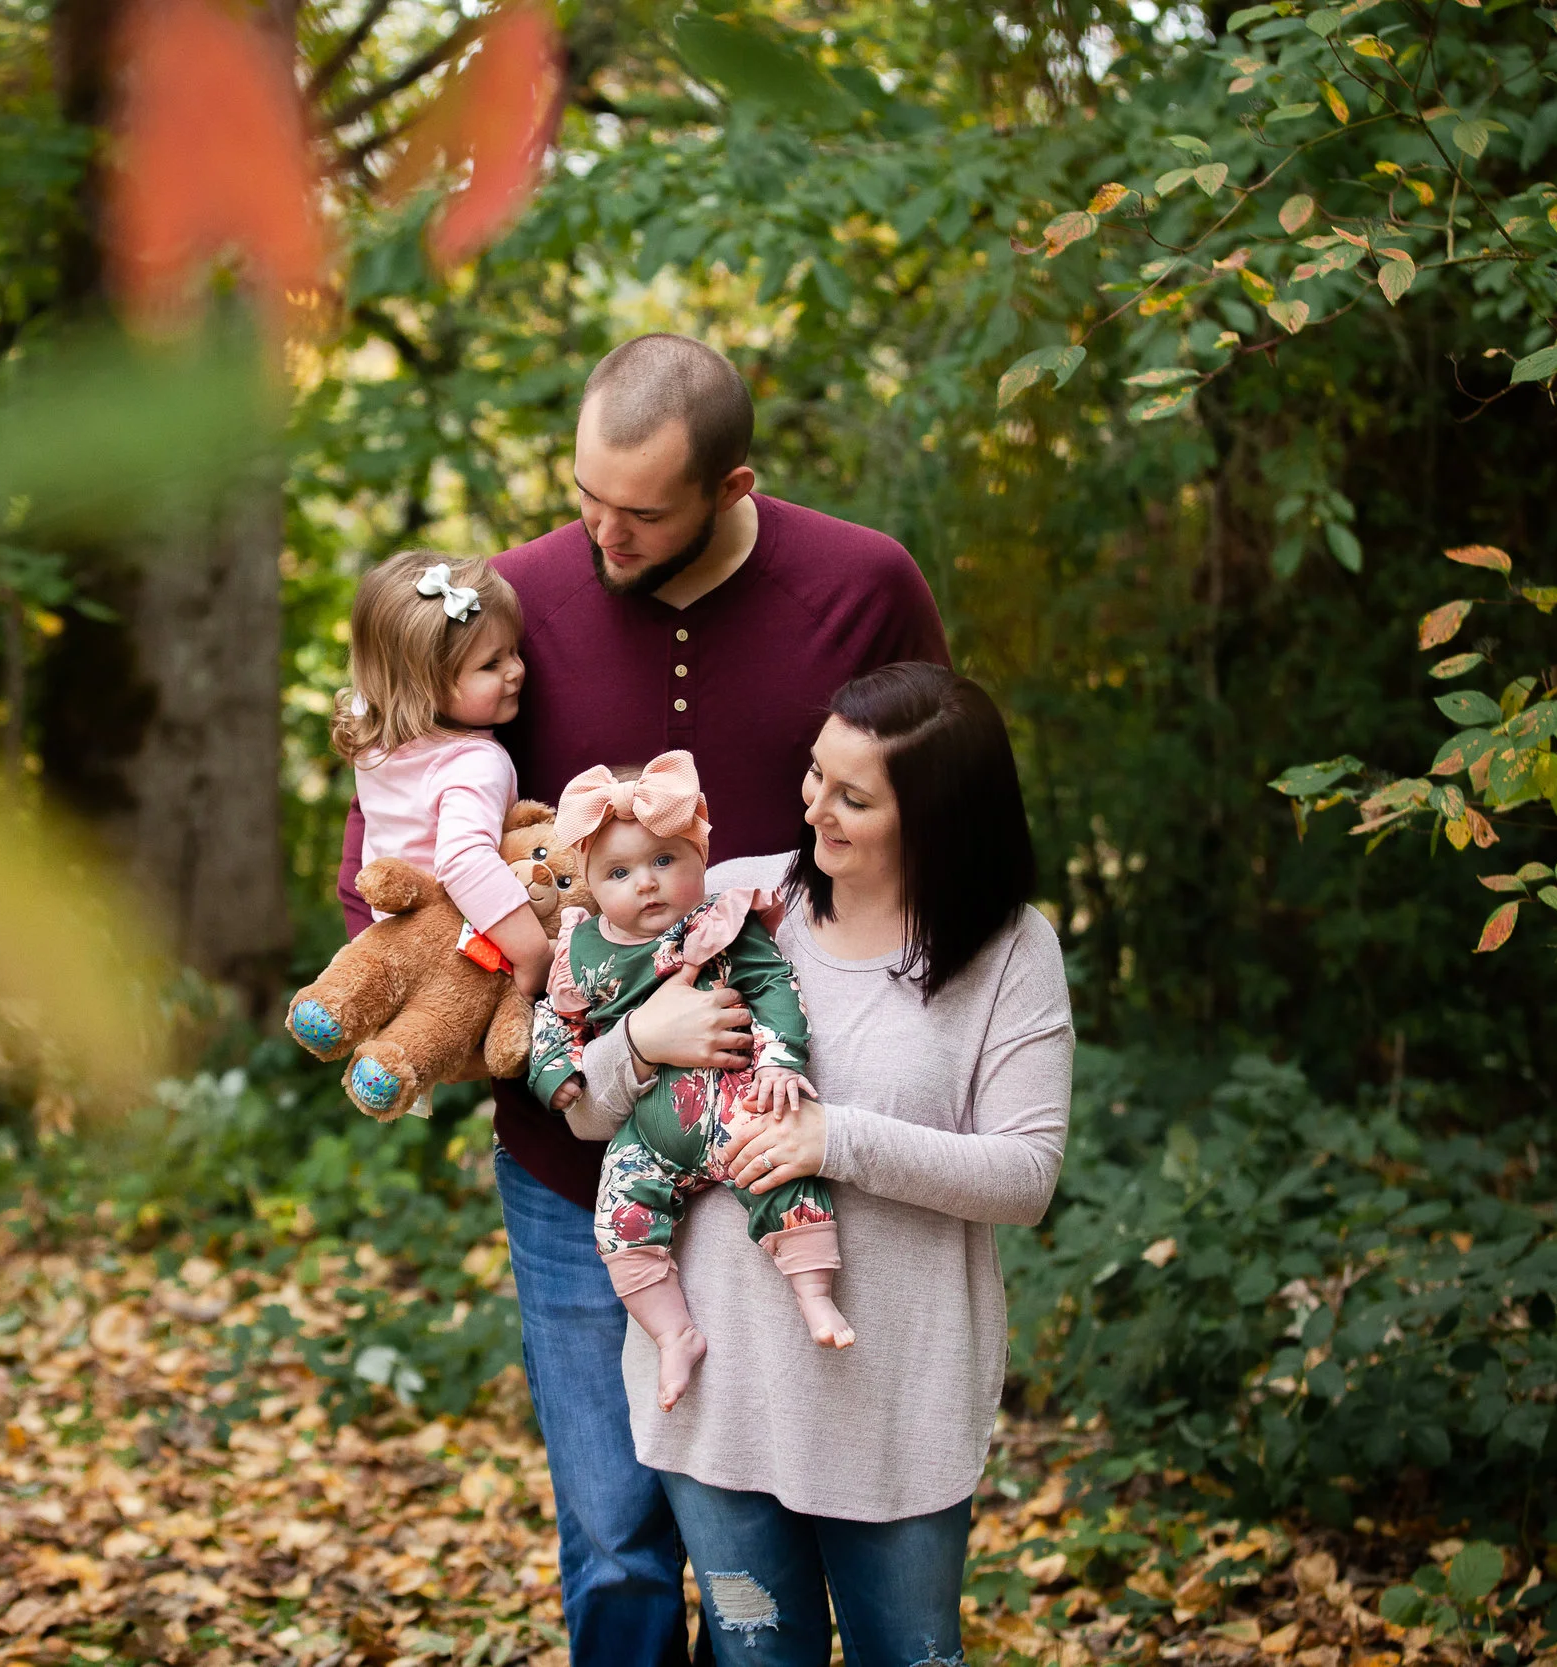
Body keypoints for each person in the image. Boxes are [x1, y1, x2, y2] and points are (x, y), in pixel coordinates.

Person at [338, 334, 946, 1666]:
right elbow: (390, 861)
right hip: (574, 1161)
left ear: (734, 485)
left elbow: (935, 827)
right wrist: (488, 985)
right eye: (583, 495)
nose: (598, 532)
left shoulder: (863, 585)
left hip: (777, 1140)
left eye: (640, 509)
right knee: (616, 1543)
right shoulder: (515, 605)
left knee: (772, 1551)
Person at [567, 663, 1072, 1667]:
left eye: (853, 796)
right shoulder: (727, 900)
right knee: (758, 1653)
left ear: (936, 816)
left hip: (895, 1404)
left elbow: (1026, 1175)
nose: (816, 809)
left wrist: (832, 1138)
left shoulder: (1011, 951)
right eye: (814, 777)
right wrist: (642, 1041)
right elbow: (587, 1113)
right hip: (719, 1396)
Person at [525, 752, 848, 1415]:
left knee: (784, 1171)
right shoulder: (581, 952)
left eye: (665, 860)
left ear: (701, 857)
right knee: (619, 1222)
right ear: (588, 880)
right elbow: (554, 1023)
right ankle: (674, 1332)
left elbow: (774, 987)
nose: (645, 882)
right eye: (619, 872)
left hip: (734, 1103)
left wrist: (782, 1058)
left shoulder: (719, 922)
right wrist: (553, 1073)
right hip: (647, 1128)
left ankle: (814, 1292)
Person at [311, 552, 551, 1112]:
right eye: (491, 664)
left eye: (513, 650)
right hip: (457, 947)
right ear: (424, 687)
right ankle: (397, 1067)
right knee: (447, 1024)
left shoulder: (377, 741)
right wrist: (533, 955)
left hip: (387, 937)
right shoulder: (474, 761)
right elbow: (465, 862)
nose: (517, 669)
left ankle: (336, 1018)